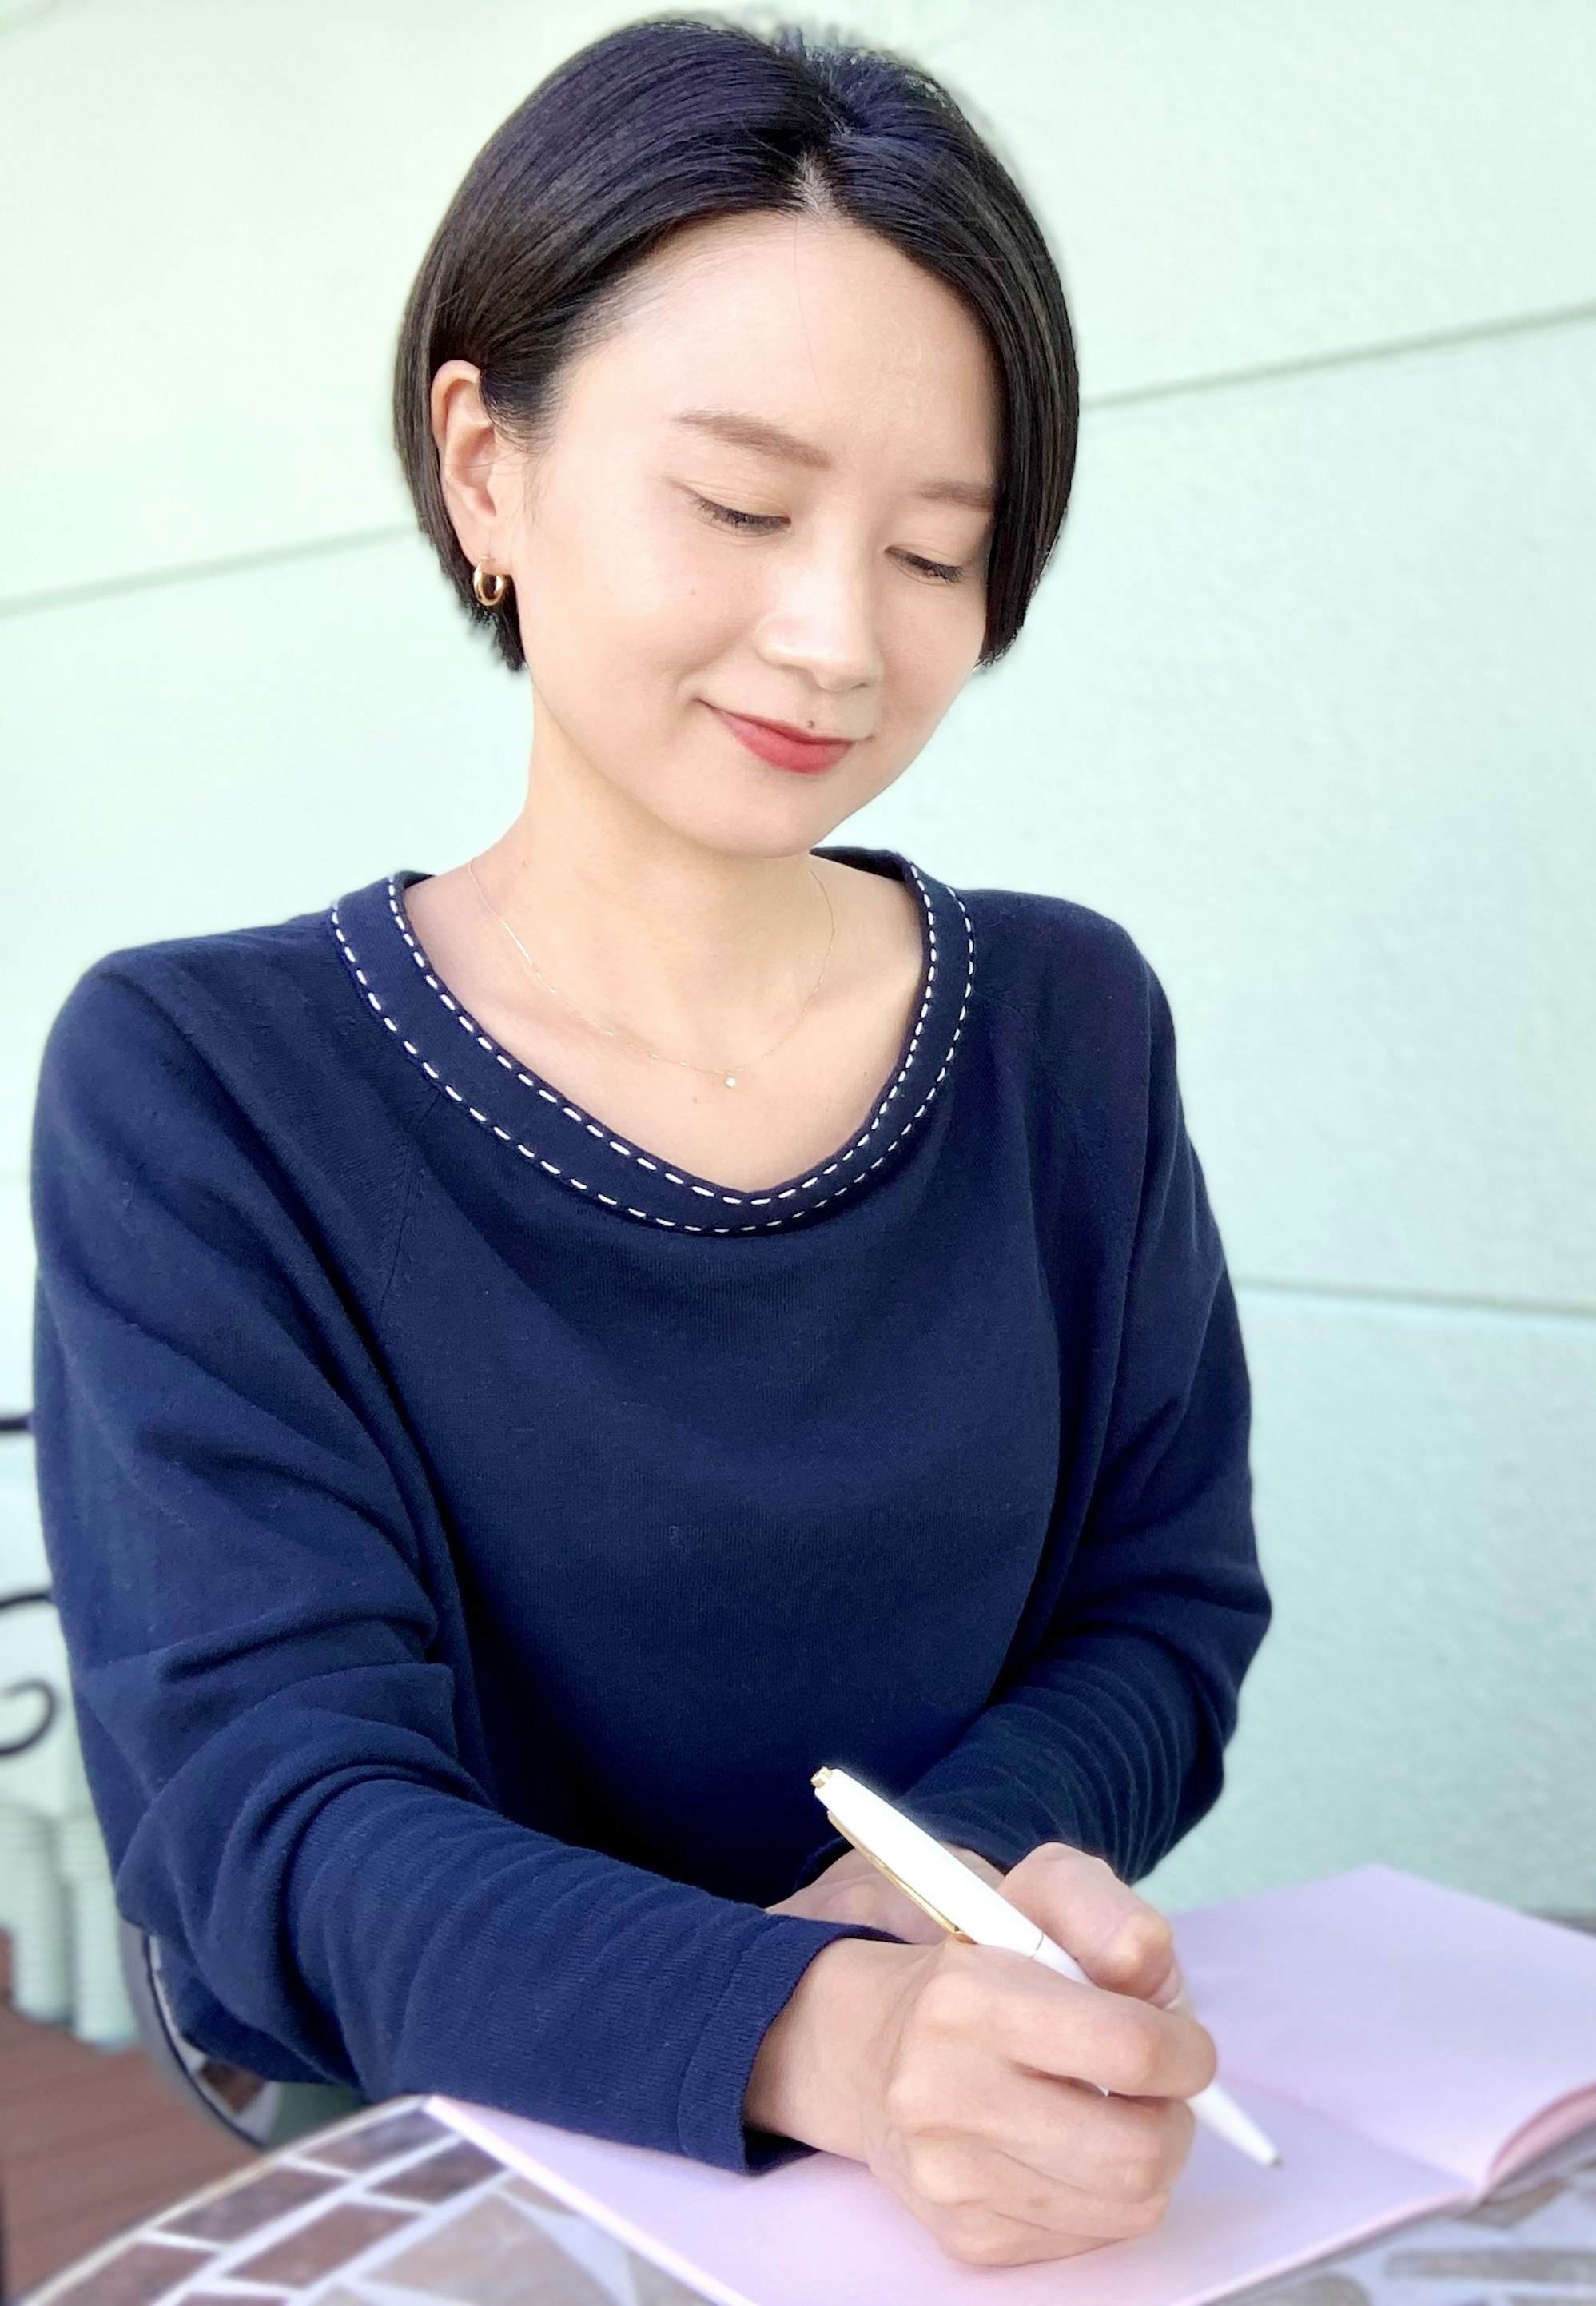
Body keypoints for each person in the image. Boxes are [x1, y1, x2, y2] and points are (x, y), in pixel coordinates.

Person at [30, 18, 1269, 2268]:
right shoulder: (204, 1084)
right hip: (463, 2176)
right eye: (738, 505)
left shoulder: (1065, 1028)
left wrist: (908, 1924)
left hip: (965, 2174)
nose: (833, 635)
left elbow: (1162, 1614)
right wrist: (819, 2023)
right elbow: (269, 1825)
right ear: (486, 464)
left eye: (934, 549)